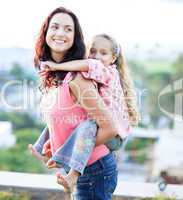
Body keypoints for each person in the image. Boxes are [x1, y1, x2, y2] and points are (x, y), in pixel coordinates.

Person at [29, 7, 138, 199]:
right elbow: (66, 122)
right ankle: (41, 147)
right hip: (86, 168)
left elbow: (109, 128)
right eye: (55, 27)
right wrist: (56, 148)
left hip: (94, 170)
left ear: (75, 36)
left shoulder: (78, 77)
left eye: (68, 29)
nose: (61, 33)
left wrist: (69, 155)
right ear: (45, 33)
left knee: (89, 126)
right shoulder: (59, 77)